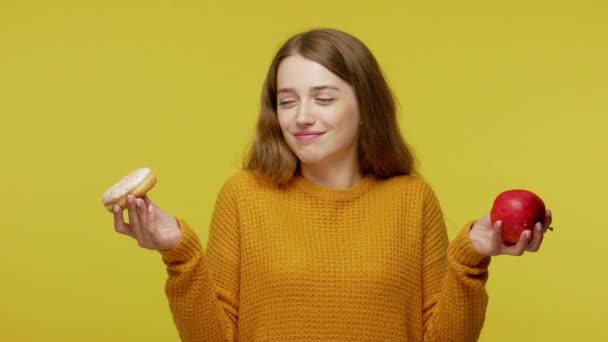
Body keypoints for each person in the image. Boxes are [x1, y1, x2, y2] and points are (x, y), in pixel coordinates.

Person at [111, 28, 552, 341]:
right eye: (287, 101)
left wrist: (471, 257)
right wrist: (179, 253)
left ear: (366, 106)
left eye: (323, 98)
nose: (301, 116)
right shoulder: (243, 196)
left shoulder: (411, 200)